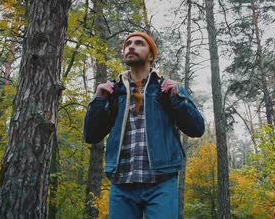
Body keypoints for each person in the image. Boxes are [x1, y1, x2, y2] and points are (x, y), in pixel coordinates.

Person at [84, 32, 205, 219]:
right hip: (121, 183)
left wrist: (177, 99)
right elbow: (91, 136)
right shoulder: (113, 92)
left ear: (150, 55)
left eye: (139, 43)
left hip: (161, 181)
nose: (131, 46)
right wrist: (99, 100)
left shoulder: (167, 88)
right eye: (128, 44)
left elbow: (197, 129)